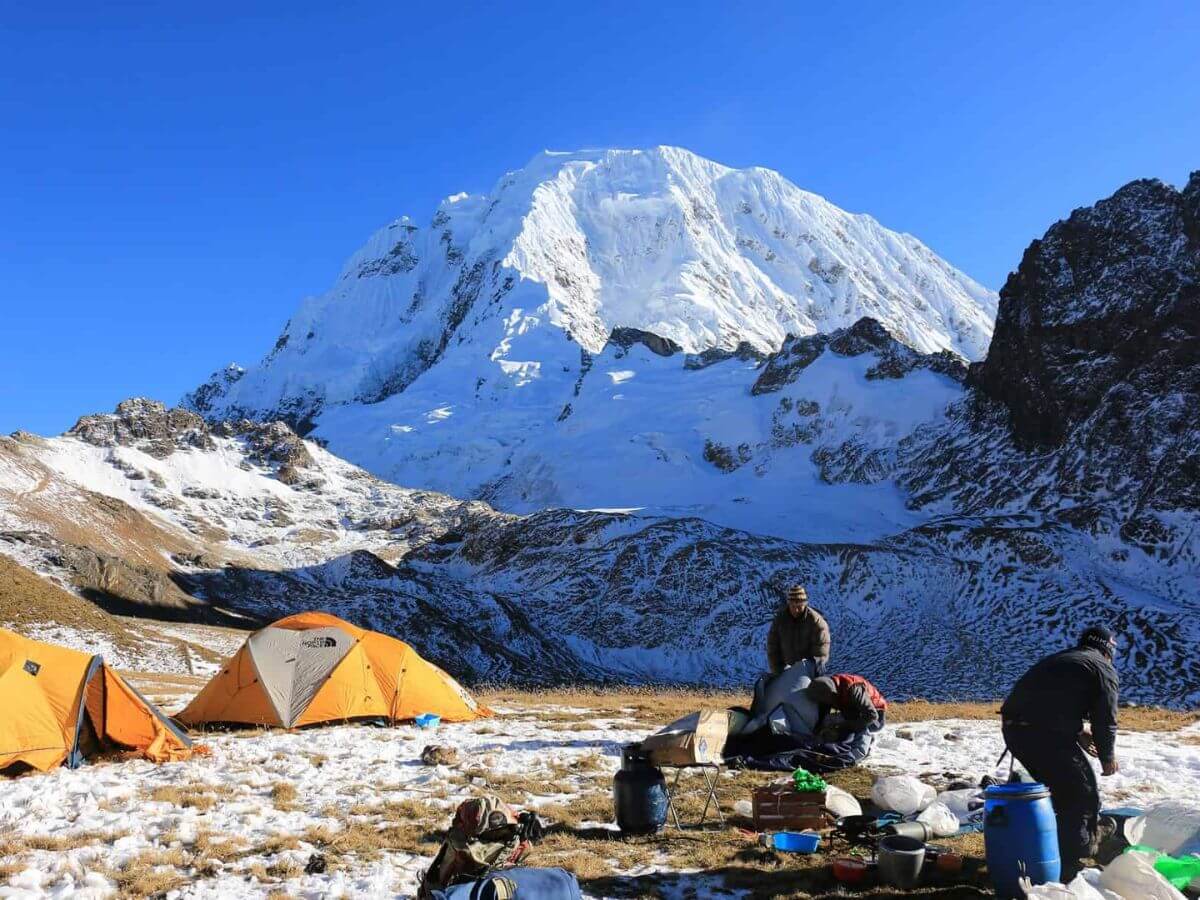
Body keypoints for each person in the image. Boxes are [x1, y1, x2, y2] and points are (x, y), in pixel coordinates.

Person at [1000, 625, 1120, 880]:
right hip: (1044, 735)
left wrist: (1076, 730)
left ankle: (1051, 842)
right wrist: (1107, 757)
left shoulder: (1064, 659)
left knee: (1060, 787)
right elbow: (1105, 718)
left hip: (1014, 731)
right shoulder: (1102, 668)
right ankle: (1074, 858)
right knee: (1082, 793)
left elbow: (1051, 701)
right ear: (1108, 650)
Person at [766, 585, 831, 675]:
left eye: (799, 606)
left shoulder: (816, 622)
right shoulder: (780, 621)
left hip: (810, 668)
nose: (796, 610)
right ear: (788, 604)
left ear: (805, 604)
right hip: (787, 668)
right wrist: (777, 671)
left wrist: (813, 667)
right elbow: (773, 648)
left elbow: (821, 649)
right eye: (793, 606)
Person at [804, 674, 888, 740]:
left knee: (846, 732)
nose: (827, 703)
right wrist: (817, 728)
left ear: (833, 694)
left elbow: (872, 716)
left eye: (827, 701)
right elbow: (824, 711)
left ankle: (864, 741)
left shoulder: (854, 689)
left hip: (877, 717)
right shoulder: (829, 688)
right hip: (857, 710)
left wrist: (843, 727)